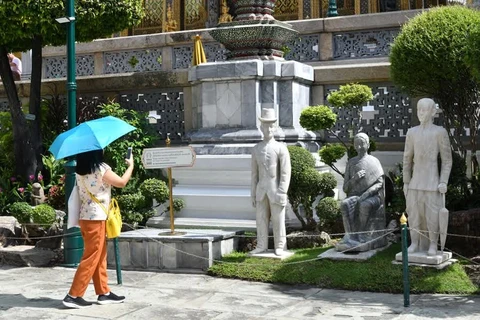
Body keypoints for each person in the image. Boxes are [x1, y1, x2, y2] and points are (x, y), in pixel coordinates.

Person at [62, 149, 134, 309]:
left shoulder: (80, 170)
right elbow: (121, 182)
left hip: (86, 217)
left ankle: (104, 292)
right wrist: (131, 166)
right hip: (97, 217)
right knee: (92, 256)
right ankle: (73, 295)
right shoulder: (101, 168)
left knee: (99, 254)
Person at [403, 98, 452, 256]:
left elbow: (447, 160)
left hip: (432, 182)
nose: (421, 113)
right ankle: (415, 243)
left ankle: (432, 244)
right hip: (415, 182)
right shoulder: (412, 132)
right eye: (419, 110)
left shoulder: (439, 132)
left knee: (432, 216)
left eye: (424, 110)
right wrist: (406, 181)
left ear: (433, 112)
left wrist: (443, 180)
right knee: (414, 215)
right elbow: (406, 159)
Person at [335, 133, 387, 252]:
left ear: (368, 145)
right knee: (344, 204)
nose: (359, 147)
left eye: (361, 144)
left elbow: (380, 183)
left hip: (373, 196)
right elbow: (345, 188)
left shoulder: (374, 161)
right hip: (355, 195)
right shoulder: (351, 163)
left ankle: (362, 233)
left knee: (365, 205)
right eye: (356, 144)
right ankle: (349, 235)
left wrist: (367, 194)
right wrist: (354, 179)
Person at [250, 108, 291, 256]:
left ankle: (280, 245)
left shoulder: (281, 148)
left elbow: (286, 172)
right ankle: (261, 245)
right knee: (261, 219)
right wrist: (252, 194)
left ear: (275, 127)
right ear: (261, 128)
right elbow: (254, 175)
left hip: (275, 190)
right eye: (265, 126)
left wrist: (282, 191)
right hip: (261, 190)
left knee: (278, 219)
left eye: (271, 125)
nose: (268, 129)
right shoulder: (256, 149)